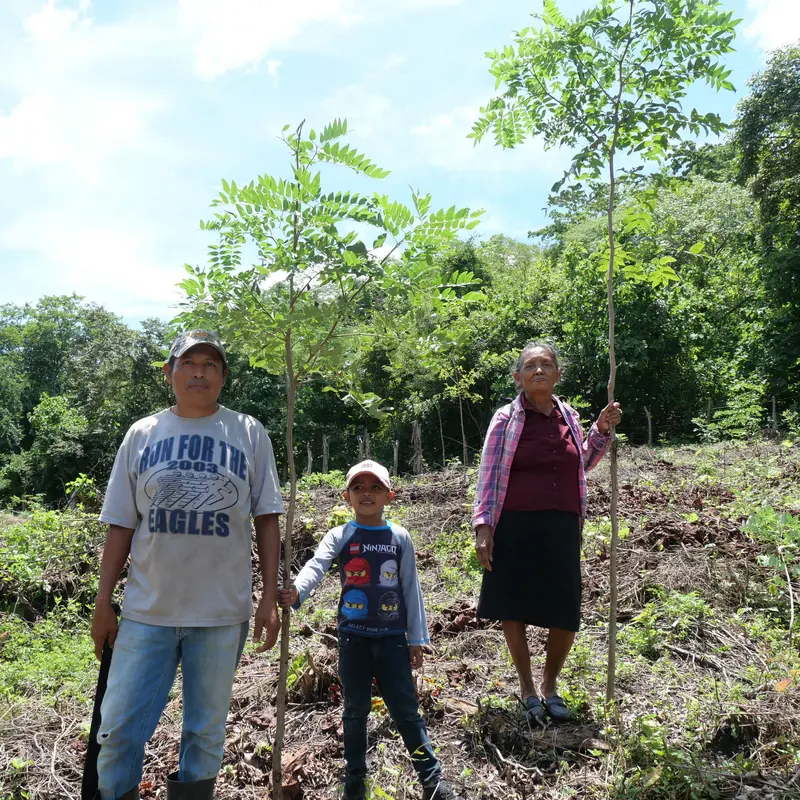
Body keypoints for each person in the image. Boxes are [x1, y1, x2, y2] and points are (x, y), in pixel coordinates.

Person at [90, 330, 284, 800]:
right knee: (116, 733)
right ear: (169, 372)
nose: (199, 371)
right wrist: (103, 602)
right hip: (146, 613)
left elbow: (267, 517)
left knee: (204, 734)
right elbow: (121, 524)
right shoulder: (142, 433)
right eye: (189, 362)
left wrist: (268, 598)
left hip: (222, 614)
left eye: (211, 364)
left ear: (223, 376)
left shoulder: (248, 432)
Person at [278, 460, 465, 800]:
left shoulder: (399, 537)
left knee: (406, 710)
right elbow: (316, 565)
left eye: (375, 487)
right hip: (353, 639)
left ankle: (432, 781)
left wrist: (417, 639)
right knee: (354, 710)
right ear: (347, 496)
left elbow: (411, 589)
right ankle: (355, 782)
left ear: (389, 496)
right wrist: (298, 592)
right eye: (359, 488)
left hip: (393, 640)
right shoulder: (340, 535)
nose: (367, 493)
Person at [472, 342, 621, 724]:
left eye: (546, 365)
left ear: (557, 375)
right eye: (530, 365)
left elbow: (583, 462)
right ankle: (527, 689)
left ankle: (551, 685)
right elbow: (488, 477)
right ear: (518, 377)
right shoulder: (505, 419)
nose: (539, 370)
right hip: (515, 524)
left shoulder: (568, 415)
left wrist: (601, 429)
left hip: (562, 524)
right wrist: (484, 528)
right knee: (514, 605)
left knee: (565, 608)